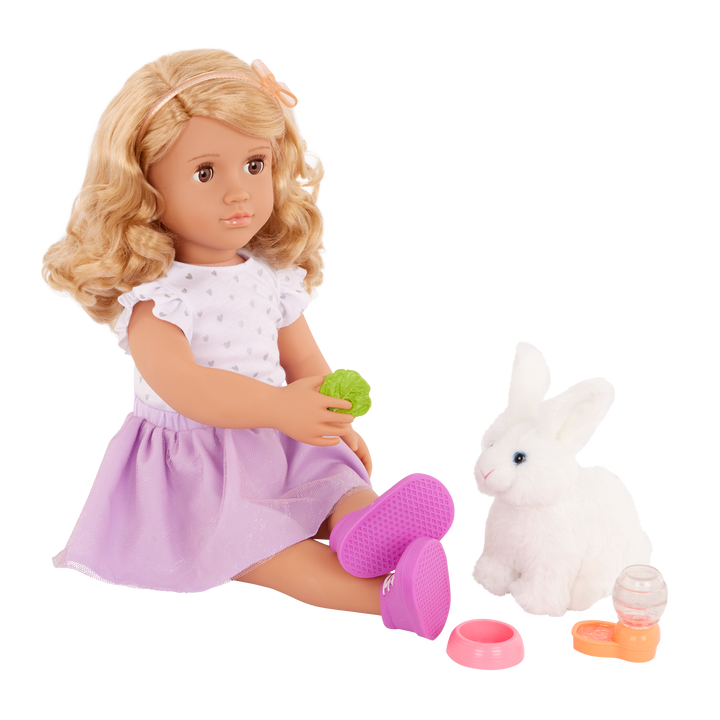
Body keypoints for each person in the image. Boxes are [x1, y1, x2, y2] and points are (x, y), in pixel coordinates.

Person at [39, 45, 455, 642]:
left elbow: (303, 355)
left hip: (280, 439)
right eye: (206, 173)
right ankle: (385, 597)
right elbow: (185, 387)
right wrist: (279, 406)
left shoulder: (267, 274)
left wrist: (334, 418)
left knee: (336, 485)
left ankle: (363, 528)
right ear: (146, 187)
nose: (239, 192)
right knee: (265, 548)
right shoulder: (157, 297)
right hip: (197, 465)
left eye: (255, 164)